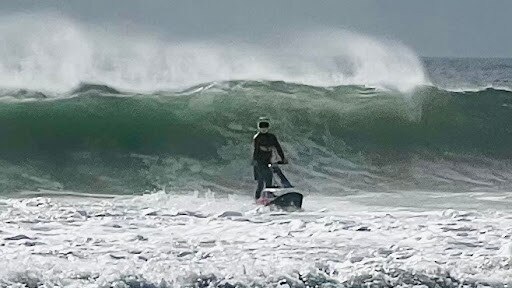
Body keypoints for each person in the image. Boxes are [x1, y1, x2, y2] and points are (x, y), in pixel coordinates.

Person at [252, 117, 288, 200]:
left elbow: (278, 147)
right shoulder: (257, 137)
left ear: (268, 128)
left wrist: (282, 158)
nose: (263, 129)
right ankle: (258, 199)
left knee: (269, 178)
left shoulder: (272, 137)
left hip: (267, 160)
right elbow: (256, 151)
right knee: (261, 182)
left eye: (265, 127)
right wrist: (255, 162)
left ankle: (268, 196)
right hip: (259, 161)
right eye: (262, 128)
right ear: (259, 128)